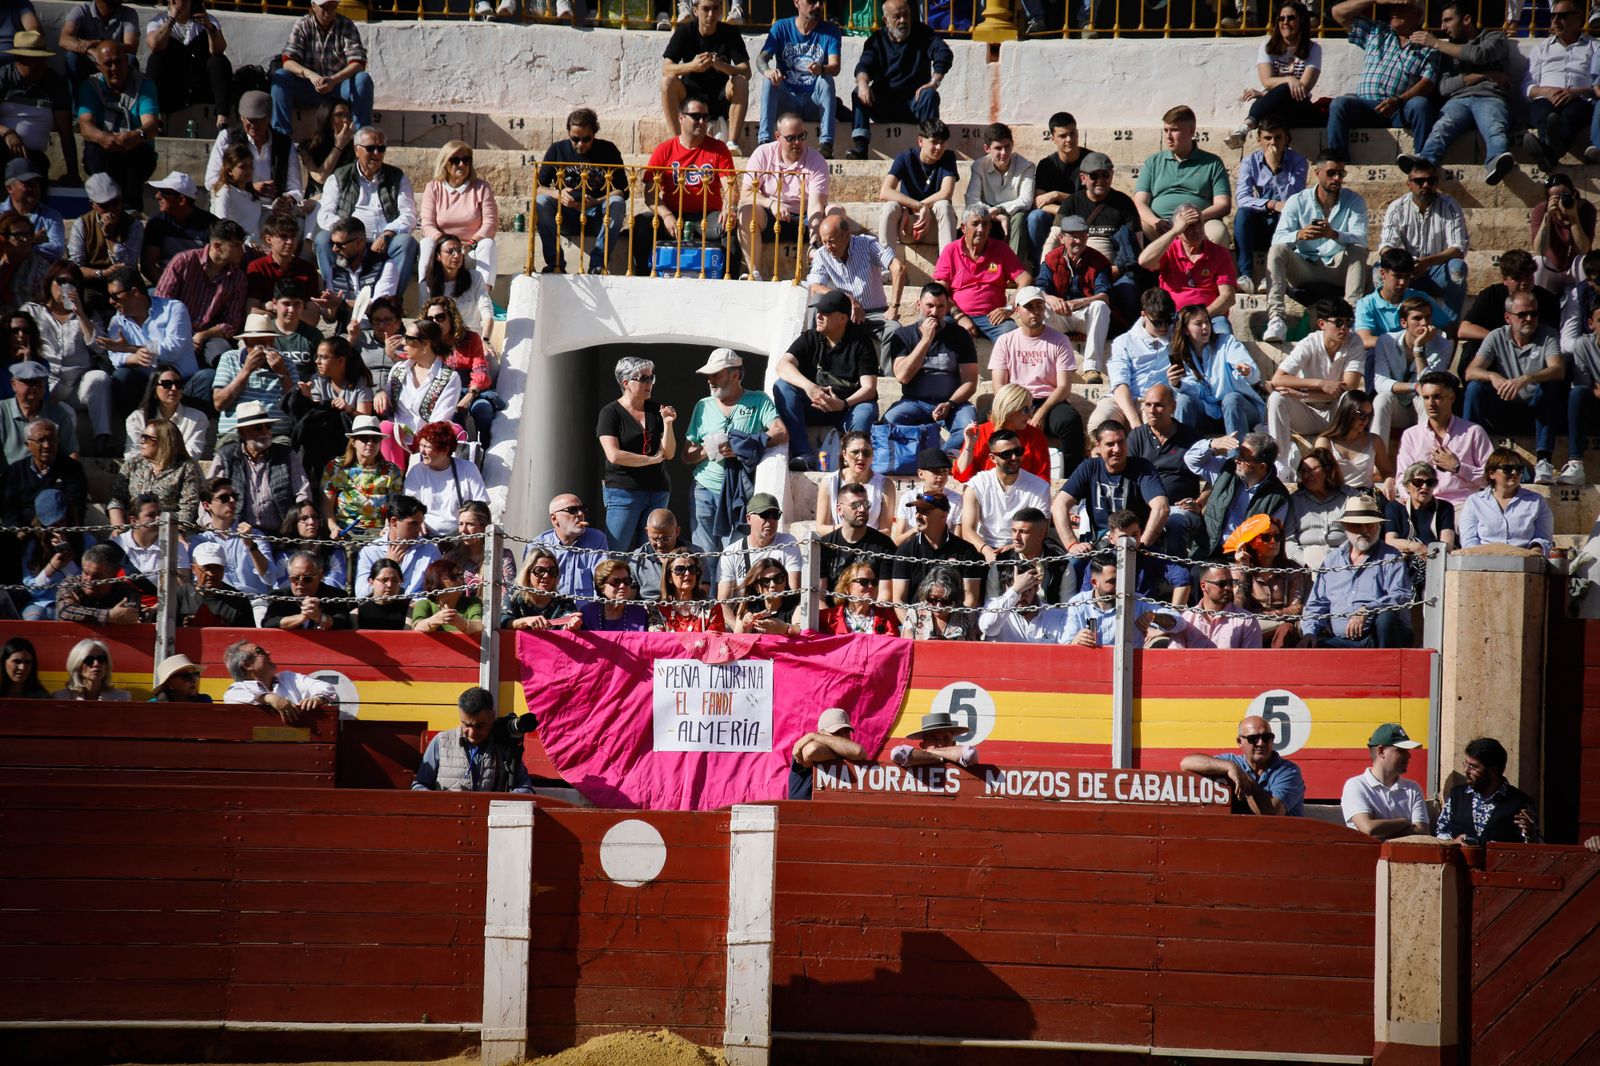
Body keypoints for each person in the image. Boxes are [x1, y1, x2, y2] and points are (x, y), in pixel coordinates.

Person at [682, 347, 786, 554]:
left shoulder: (758, 400)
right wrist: (707, 449)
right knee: (704, 556)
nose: (710, 380)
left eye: (716, 374)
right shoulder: (702, 406)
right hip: (704, 489)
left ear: (735, 374)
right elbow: (686, 455)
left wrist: (741, 446)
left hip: (739, 491)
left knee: (735, 554)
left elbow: (781, 432)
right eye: (708, 375)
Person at [1400, 4, 1514, 185]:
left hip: (1489, 97)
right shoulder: (1447, 50)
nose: (1443, 28)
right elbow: (1444, 87)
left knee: (1494, 128)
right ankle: (1425, 162)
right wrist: (1484, 75)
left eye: (1448, 20)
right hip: (1458, 100)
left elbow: (1480, 55)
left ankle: (1496, 162)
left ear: (1467, 20)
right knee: (1441, 128)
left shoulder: (1494, 37)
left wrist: (1436, 43)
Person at [1262, 153, 1369, 344]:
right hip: (1305, 267)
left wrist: (1334, 234)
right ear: (1317, 173)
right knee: (1277, 250)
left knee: (1357, 250)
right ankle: (1277, 319)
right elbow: (1277, 238)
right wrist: (1299, 235)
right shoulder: (1297, 200)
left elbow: (1361, 238)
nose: (1337, 178)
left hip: (1338, 267)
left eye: (1341, 173)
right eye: (1331, 173)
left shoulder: (1354, 201)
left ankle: (1351, 317)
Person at [1464, 293, 1569, 485]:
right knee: (1475, 388)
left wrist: (1528, 378)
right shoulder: (1496, 336)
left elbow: (1558, 369)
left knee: (1551, 386)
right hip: (1504, 405)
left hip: (1536, 408)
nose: (1529, 319)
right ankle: (1470, 453)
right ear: (1508, 317)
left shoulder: (1548, 334)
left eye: (1533, 314)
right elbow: (1471, 371)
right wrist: (1492, 375)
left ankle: (1544, 460)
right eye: (1522, 314)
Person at [773, 289, 878, 472]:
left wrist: (843, 404)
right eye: (819, 311)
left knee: (867, 410)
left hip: (846, 408)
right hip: (814, 404)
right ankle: (803, 454)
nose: (819, 316)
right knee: (782, 387)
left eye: (826, 313)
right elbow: (782, 365)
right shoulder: (810, 337)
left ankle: (852, 464)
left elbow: (869, 387)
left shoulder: (861, 342)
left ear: (843, 319)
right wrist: (810, 387)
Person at [1324, 0, 1441, 164]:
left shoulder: (1428, 45)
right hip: (1367, 106)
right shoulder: (1377, 31)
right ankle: (1337, 162)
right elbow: (1338, 12)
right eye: (1392, 7)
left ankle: (1423, 163)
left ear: (1417, 14)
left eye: (1401, 8)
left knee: (1420, 105)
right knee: (1339, 104)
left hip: (1399, 108)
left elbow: (1427, 83)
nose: (1394, 12)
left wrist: (1399, 100)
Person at [315, 126, 418, 303]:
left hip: (384, 242)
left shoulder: (397, 177)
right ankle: (334, 298)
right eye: (370, 148)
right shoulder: (339, 177)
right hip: (350, 241)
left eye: (381, 149)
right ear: (356, 149)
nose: (376, 153)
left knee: (406, 242)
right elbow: (325, 215)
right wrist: (351, 235)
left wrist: (387, 234)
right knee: (323, 239)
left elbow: (408, 215)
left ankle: (389, 302)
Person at [1267, 299, 1365, 481]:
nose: (1344, 328)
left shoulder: (1354, 342)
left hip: (1336, 414)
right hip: (1306, 413)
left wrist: (1303, 393)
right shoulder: (1309, 343)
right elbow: (1278, 378)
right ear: (1322, 324)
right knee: (1276, 398)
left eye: (1348, 323)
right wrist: (1320, 384)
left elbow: (1348, 387)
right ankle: (1280, 464)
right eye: (1338, 323)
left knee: (1351, 398)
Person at [1301, 496, 1415, 648]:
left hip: (1378, 638)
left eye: (1370, 525)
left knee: (1386, 617)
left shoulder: (1390, 556)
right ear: (1346, 527)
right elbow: (1317, 603)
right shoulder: (1333, 559)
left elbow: (1401, 595)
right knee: (1311, 647)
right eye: (1357, 526)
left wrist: (1368, 610)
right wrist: (1310, 632)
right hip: (1342, 641)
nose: (1364, 531)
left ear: (1379, 526)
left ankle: (1386, 666)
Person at [985, 286, 1083, 462]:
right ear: (1017, 310)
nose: (1035, 312)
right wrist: (1016, 411)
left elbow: (1064, 387)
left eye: (1039, 306)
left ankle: (1071, 478)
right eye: (1029, 307)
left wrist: (1039, 414)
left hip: (1048, 401)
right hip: (1014, 401)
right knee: (985, 418)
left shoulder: (1060, 340)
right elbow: (998, 386)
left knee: (1070, 420)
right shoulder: (1005, 341)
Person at [882, 283, 978, 451]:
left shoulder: (960, 335)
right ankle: (917, 460)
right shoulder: (903, 335)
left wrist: (950, 403)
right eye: (930, 306)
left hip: (952, 403)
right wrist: (926, 340)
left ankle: (941, 460)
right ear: (919, 305)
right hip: (915, 402)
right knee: (888, 422)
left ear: (947, 307)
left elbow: (970, 382)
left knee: (968, 427)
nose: (935, 312)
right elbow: (902, 376)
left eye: (940, 307)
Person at [846, 0, 947, 160]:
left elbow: (943, 53)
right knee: (859, 91)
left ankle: (930, 149)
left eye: (906, 15)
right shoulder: (877, 40)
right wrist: (863, 83)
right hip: (884, 106)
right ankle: (861, 146)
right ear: (886, 21)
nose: (903, 21)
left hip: (915, 104)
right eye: (897, 17)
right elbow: (865, 64)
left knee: (930, 95)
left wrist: (935, 82)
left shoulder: (923, 34)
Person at [25, 260, 109, 449]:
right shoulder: (33, 311)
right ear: (50, 282)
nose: (66, 287)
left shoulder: (88, 314)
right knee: (66, 413)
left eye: (72, 283)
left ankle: (103, 438)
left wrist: (80, 314)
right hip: (48, 384)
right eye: (61, 281)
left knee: (99, 378)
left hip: (77, 385)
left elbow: (100, 347)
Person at [738, 110, 830, 281]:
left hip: (804, 217)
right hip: (772, 217)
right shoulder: (763, 153)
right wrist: (771, 203)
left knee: (835, 212)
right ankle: (754, 273)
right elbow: (746, 193)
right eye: (791, 138)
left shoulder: (816, 161)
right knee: (745, 210)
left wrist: (814, 239)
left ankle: (828, 269)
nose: (797, 142)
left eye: (801, 136)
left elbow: (816, 205)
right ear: (777, 136)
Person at [597, 355, 676, 551]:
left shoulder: (656, 410)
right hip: (623, 492)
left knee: (651, 553)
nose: (650, 383)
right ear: (626, 383)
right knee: (616, 552)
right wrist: (650, 460)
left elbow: (669, 453)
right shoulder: (610, 413)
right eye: (643, 378)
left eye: (651, 378)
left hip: (657, 491)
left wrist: (668, 424)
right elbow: (614, 455)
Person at [535, 110, 626, 277]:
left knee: (617, 204)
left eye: (586, 139)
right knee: (541, 201)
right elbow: (539, 187)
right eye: (575, 139)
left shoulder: (608, 150)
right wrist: (559, 194)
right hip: (566, 215)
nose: (580, 144)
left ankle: (598, 264)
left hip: (597, 215)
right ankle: (555, 263)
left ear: (594, 134)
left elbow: (622, 191)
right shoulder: (557, 150)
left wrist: (597, 201)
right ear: (569, 133)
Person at [157, 218, 250, 380]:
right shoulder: (183, 261)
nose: (242, 251)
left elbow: (232, 322)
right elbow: (162, 304)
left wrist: (203, 335)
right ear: (217, 246)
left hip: (209, 337)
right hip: (172, 331)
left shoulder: (238, 278)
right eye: (236, 245)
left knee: (223, 355)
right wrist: (183, 334)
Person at [1224, 1, 1324, 148]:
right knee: (1270, 100)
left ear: (1301, 21)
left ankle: (1246, 126)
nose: (1285, 22)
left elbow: (1304, 87)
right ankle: (1242, 131)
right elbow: (1266, 81)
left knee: (1284, 89)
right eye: (1281, 19)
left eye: (1291, 18)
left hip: (1300, 108)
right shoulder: (1268, 45)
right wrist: (1290, 79)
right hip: (1275, 109)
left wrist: (1273, 90)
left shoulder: (1314, 49)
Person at [1379, 158, 1470, 318]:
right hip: (1407, 272)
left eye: (1431, 180)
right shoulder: (1397, 207)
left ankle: (1450, 326)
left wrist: (1428, 261)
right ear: (1409, 184)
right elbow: (1386, 246)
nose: (1426, 185)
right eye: (1419, 181)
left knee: (1458, 268)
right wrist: (1404, 264)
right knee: (1378, 270)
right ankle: (1389, 321)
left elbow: (1458, 248)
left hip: (1438, 271)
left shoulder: (1450, 205)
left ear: (1436, 183)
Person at [644, 95, 736, 249]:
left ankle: (728, 273)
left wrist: (729, 208)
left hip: (708, 216)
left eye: (705, 117)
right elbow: (649, 193)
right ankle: (643, 273)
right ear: (681, 118)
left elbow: (731, 188)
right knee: (642, 224)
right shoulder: (664, 150)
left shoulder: (719, 149)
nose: (702, 122)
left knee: (729, 225)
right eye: (696, 116)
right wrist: (666, 215)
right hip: (673, 213)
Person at [270, 0, 371, 137]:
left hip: (337, 88)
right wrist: (311, 76)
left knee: (363, 79)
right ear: (313, 5)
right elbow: (288, 61)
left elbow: (358, 63)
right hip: (308, 86)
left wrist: (334, 80)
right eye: (324, 7)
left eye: (332, 7)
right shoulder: (303, 25)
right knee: (280, 77)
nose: (328, 11)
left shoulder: (346, 25)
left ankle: (362, 138)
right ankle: (281, 137)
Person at [1133, 105, 1232, 246]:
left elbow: (1223, 205)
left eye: (1174, 130)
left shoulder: (1212, 162)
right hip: (1160, 226)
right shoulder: (1153, 162)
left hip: (1198, 224)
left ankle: (1207, 268)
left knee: (1218, 232)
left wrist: (1196, 217)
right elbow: (1139, 202)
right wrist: (1156, 222)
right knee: (1136, 229)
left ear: (1191, 131)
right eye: (1166, 130)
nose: (1168, 137)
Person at [1185, 430, 1292, 560]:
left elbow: (1269, 539)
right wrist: (1212, 443)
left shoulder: (1278, 498)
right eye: (1238, 454)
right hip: (1208, 551)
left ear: (1262, 467)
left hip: (1245, 559)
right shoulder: (1227, 470)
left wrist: (1243, 562)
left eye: (1243, 458)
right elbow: (1191, 460)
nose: (1237, 460)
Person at [1520, 0, 1600, 173]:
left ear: (1578, 18)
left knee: (1571, 115)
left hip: (1579, 100)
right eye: (1553, 16)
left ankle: (1548, 153)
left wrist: (1576, 92)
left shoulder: (1594, 47)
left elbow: (1598, 86)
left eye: (1562, 16)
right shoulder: (1541, 49)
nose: (1555, 21)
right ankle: (1554, 150)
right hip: (1545, 99)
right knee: (1544, 113)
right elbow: (1526, 86)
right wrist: (1545, 91)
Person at [660, 0, 749, 154]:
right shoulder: (684, 31)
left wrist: (723, 67)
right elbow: (666, 68)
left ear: (721, 10)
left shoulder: (730, 32)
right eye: (706, 9)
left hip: (720, 97)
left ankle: (732, 143)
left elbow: (746, 71)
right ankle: (677, 144)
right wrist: (692, 66)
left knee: (740, 81)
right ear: (695, 11)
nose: (711, 14)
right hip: (690, 97)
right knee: (667, 82)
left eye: (715, 9)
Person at [754, 0, 841, 157]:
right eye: (811, 1)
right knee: (769, 81)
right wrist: (768, 72)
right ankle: (764, 142)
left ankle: (826, 144)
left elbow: (835, 67)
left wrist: (822, 68)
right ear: (796, 2)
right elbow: (761, 59)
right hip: (787, 100)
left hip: (813, 102)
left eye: (821, 2)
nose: (817, 6)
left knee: (826, 80)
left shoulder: (831, 31)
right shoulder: (781, 27)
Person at [1229, 120, 1306, 296]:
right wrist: (1269, 204)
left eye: (1278, 138)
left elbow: (1293, 201)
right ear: (1259, 140)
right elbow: (1242, 198)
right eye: (1268, 138)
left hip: (1283, 224)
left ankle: (1273, 274)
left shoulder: (1298, 162)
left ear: (1286, 139)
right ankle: (1246, 276)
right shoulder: (1250, 162)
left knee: (1286, 213)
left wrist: (1276, 170)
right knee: (1243, 214)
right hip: (1258, 222)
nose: (1273, 143)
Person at [1036, 213, 1116, 383]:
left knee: (1100, 307)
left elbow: (1105, 296)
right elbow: (1040, 288)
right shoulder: (1051, 259)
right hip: (1060, 315)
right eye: (1073, 237)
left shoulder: (1099, 261)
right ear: (1061, 237)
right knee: (1041, 305)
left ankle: (1092, 369)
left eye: (1082, 236)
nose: (1078, 241)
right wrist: (1050, 298)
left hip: (1085, 316)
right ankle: (1048, 365)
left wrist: (1082, 301)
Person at [1166, 304, 1265, 439]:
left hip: (1240, 411)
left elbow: (1253, 376)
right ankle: (1181, 454)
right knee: (1183, 400)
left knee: (1231, 399)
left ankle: (1236, 457)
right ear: (1186, 330)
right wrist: (1178, 384)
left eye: (1207, 321)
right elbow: (1195, 391)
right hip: (1209, 414)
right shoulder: (1182, 354)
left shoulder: (1227, 342)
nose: (1205, 326)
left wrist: (1247, 372)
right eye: (1198, 324)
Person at [935, 205, 1032, 343]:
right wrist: (959, 316)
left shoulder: (1001, 249)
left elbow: (1025, 279)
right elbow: (940, 289)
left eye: (985, 224)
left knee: (1011, 333)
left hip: (992, 317)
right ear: (963, 228)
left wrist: (1009, 308)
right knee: (939, 328)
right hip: (956, 314)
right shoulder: (951, 250)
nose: (981, 229)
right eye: (975, 224)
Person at [205, 90, 303, 225]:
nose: (254, 126)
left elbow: (295, 187)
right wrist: (249, 189)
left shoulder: (284, 144)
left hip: (272, 212)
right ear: (241, 118)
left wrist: (287, 200)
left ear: (269, 118)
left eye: (259, 121)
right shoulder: (227, 137)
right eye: (249, 121)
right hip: (236, 207)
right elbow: (212, 181)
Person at [211, 399, 309, 533]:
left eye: (268, 427)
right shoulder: (226, 456)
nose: (265, 432)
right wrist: (213, 528)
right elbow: (210, 494)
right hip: (237, 533)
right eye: (257, 428)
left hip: (280, 534)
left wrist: (295, 526)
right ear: (242, 432)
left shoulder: (286, 454)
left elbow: (302, 494)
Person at [1137, 204, 1238, 335]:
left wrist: (1201, 316)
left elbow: (1228, 297)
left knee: (1224, 337)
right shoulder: (1169, 249)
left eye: (1198, 223)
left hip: (1210, 316)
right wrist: (1174, 232)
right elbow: (1144, 261)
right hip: (1173, 315)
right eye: (1189, 225)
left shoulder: (1219, 253)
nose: (1196, 229)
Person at [74, 40, 158, 195]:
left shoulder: (144, 85)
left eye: (119, 62)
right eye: (108, 64)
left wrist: (135, 136)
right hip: (104, 150)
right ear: (99, 67)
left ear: (127, 61)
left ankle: (130, 206)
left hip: (134, 148)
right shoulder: (90, 86)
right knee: (95, 150)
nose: (115, 68)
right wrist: (103, 138)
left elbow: (151, 125)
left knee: (140, 153)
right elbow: (85, 126)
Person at [288, 334, 372, 487]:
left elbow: (366, 419)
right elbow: (316, 414)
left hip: (348, 437)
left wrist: (349, 409)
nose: (317, 361)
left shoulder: (359, 382)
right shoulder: (318, 380)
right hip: (324, 439)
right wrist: (307, 397)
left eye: (324, 357)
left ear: (340, 361)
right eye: (317, 357)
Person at [412, 687, 531, 794]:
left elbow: (526, 787)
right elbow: (419, 786)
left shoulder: (504, 744)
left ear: (492, 716)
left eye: (480, 726)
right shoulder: (441, 742)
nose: (472, 733)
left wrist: (506, 803)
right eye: (466, 725)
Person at [1180, 714, 1305, 816]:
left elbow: (1272, 813)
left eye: (1266, 737)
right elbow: (1187, 763)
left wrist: (1245, 780)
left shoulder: (1288, 771)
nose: (1261, 743)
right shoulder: (1232, 762)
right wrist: (1230, 767)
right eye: (1253, 738)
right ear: (1240, 742)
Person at [0, 32, 80, 189]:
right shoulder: (3, 77)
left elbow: (66, 132)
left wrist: (73, 173)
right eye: (35, 60)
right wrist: (7, 133)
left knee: (32, 186)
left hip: (33, 156)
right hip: (2, 148)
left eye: (43, 59)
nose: (42, 64)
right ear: (20, 60)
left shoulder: (54, 82)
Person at [418, 139, 497, 296]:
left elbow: (491, 222)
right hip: (443, 248)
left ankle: (484, 300)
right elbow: (427, 224)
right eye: (455, 160)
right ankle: (425, 301)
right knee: (426, 243)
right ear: (445, 163)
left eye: (466, 160)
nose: (461, 164)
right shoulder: (433, 187)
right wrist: (446, 244)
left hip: (471, 249)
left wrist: (471, 243)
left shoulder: (482, 188)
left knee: (488, 244)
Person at [375, 318, 458, 466]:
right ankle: (394, 480)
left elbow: (440, 420)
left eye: (410, 339)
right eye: (404, 337)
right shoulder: (399, 369)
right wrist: (381, 393)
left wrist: (419, 441)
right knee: (386, 427)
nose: (403, 343)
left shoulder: (449, 377)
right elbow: (386, 409)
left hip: (427, 442)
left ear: (426, 344)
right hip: (395, 438)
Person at [805, 214, 904, 337]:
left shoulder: (867, 244)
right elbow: (815, 287)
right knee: (817, 300)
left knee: (895, 330)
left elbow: (898, 268)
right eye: (823, 242)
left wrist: (894, 306)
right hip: (842, 315)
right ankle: (812, 345)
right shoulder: (822, 254)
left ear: (846, 236)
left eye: (831, 241)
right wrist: (846, 298)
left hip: (875, 314)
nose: (827, 247)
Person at [1093, 287, 1177, 433]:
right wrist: (1134, 421)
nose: (1164, 327)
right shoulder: (1124, 341)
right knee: (1101, 421)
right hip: (1124, 399)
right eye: (1157, 322)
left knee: (1156, 424)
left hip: (1156, 401)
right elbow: (1120, 384)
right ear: (1143, 315)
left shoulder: (1177, 335)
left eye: (1168, 321)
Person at [960, 428, 1051, 558]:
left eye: (1018, 452)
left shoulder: (1040, 487)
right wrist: (986, 551)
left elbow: (1041, 530)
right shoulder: (977, 484)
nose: (1014, 458)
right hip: (983, 548)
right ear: (992, 458)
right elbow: (968, 530)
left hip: (1022, 548)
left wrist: (1012, 548)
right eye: (1006, 454)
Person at [1372, 296, 1453, 441]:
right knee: (1382, 399)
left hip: (1425, 408)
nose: (1424, 323)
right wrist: (1415, 387)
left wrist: (1419, 349)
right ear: (1404, 322)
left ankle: (1426, 459)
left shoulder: (1444, 346)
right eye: (1417, 318)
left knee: (1427, 398)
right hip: (1398, 407)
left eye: (1427, 317)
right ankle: (1378, 459)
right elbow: (1380, 383)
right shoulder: (1386, 341)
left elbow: (1431, 386)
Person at [1434, 736, 1540, 844]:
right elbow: (1441, 832)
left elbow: (1535, 850)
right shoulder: (1457, 796)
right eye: (1466, 764)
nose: (1466, 770)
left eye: (1473, 766)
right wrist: (1454, 842)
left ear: (1492, 771)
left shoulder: (1520, 803)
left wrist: (1530, 834)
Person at [890, 482, 982, 606]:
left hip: (954, 620)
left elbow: (970, 599)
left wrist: (954, 624)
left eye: (925, 511)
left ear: (944, 516)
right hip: (914, 620)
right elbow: (899, 601)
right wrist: (914, 624)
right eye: (917, 511)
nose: (918, 516)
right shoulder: (906, 551)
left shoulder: (966, 552)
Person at [145, 0, 230, 130]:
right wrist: (171, 20)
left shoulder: (207, 20)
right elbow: (154, 45)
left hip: (200, 82)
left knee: (219, 61)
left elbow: (219, 50)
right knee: (155, 59)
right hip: (174, 84)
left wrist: (209, 27)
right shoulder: (158, 21)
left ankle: (222, 120)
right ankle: (158, 119)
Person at [877, 118, 958, 257]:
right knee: (890, 207)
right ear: (921, 141)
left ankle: (947, 267)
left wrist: (922, 207)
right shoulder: (905, 157)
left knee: (943, 205)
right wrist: (916, 207)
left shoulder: (948, 157)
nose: (939, 148)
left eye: (942, 143)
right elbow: (885, 191)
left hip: (934, 227)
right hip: (908, 226)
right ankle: (887, 266)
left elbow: (946, 193)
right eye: (934, 142)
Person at [192, 476, 277, 600]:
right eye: (224, 498)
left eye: (234, 496)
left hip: (255, 601)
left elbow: (270, 578)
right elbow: (197, 580)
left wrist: (251, 546)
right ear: (206, 505)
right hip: (221, 603)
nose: (231, 500)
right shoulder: (199, 542)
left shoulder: (254, 534)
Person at [108, 415, 200, 528]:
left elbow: (188, 508)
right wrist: (118, 528)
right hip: (132, 529)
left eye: (146, 438)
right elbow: (116, 499)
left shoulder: (185, 468)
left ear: (163, 442)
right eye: (142, 437)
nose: (142, 442)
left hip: (168, 530)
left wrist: (177, 532)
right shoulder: (132, 464)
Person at [66, 173, 141, 310]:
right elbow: (75, 268)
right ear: (93, 205)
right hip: (94, 286)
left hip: (125, 285)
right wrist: (102, 273)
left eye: (115, 203)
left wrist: (110, 237)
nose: (112, 209)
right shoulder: (82, 224)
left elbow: (128, 265)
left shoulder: (133, 225)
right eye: (105, 205)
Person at [1458, 447, 1554, 554]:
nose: (1514, 472)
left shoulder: (1536, 501)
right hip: (1484, 560)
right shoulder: (1475, 502)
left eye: (1518, 469)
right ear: (1491, 473)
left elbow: (1543, 539)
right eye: (1507, 469)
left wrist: (1533, 553)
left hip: (1524, 561)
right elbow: (1469, 540)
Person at [1340, 723, 1429, 838]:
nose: (1408, 756)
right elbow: (1368, 828)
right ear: (1381, 751)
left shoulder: (1413, 788)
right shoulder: (1356, 785)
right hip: (1369, 856)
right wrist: (1404, 822)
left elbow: (1423, 832)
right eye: (1401, 750)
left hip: (1404, 855)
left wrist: (1383, 829)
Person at [400, 420, 485, 539]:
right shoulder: (416, 471)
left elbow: (481, 505)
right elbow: (409, 506)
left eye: (427, 447)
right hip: (425, 537)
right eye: (421, 445)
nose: (422, 451)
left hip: (461, 537)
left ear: (445, 450)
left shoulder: (468, 469)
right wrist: (417, 521)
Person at [1229, 516, 1307, 647]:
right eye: (1266, 538)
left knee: (1286, 629)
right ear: (1252, 542)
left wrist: (1270, 615)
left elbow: (1297, 608)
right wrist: (1245, 572)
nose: (1273, 542)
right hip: (1249, 625)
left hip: (1281, 625)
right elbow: (1237, 607)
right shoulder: (1237, 569)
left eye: (1277, 537)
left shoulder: (1292, 569)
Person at [322, 414, 402, 540]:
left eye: (375, 439)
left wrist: (388, 529)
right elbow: (327, 504)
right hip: (345, 532)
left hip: (379, 534)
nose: (370, 443)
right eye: (364, 438)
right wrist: (333, 528)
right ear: (353, 442)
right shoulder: (336, 467)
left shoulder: (392, 470)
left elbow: (395, 506)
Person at [963, 123, 1035, 264]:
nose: (1004, 153)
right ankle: (971, 264)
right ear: (987, 149)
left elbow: (1025, 201)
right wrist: (997, 216)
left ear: (1012, 145)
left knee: (1020, 217)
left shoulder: (1026, 166)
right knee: (971, 218)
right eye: (998, 148)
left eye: (1007, 146)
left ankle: (1013, 268)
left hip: (1013, 214)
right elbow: (972, 199)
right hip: (987, 215)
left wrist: (999, 209)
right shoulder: (979, 166)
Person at [1026, 113, 1094, 261]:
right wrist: (1065, 211)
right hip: (1056, 217)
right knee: (1035, 217)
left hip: (1087, 216)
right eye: (1063, 136)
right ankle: (1040, 270)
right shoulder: (1046, 165)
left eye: (1072, 134)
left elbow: (1091, 201)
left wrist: (1057, 195)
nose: (1069, 140)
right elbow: (1039, 203)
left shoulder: (1091, 161)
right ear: (1053, 138)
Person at [1146, 563, 1263, 649]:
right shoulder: (1186, 620)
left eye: (1230, 583)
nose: (1228, 588)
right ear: (1203, 586)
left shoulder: (1247, 621)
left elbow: (1249, 665)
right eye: (1221, 584)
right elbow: (1176, 660)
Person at [953, 382, 1050, 485]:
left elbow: (1042, 478)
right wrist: (969, 445)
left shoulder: (1034, 435)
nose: (1030, 415)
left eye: (1031, 408)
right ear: (1009, 409)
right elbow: (962, 475)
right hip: (986, 493)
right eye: (1025, 410)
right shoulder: (980, 432)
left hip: (1023, 494)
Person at [3, 414, 86, 527]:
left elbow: (75, 505)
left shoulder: (72, 468)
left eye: (52, 439)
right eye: (41, 440)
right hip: (24, 533)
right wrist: (19, 530)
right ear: (28, 445)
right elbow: (8, 507)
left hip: (61, 530)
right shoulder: (16, 471)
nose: (47, 445)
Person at [353, 494, 441, 598]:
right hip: (380, 609)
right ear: (394, 522)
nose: (419, 529)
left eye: (420, 523)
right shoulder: (371, 551)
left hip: (417, 610)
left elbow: (434, 592)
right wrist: (387, 565)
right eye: (413, 523)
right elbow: (361, 595)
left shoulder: (430, 550)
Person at [1284, 446, 1356, 568]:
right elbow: (1288, 541)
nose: (1306, 475)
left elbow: (1359, 533)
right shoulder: (1294, 501)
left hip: (1344, 561)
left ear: (1328, 470)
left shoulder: (1350, 497)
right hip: (1306, 564)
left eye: (1312, 469)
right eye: (1303, 471)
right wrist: (1306, 563)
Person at [985, 506, 1070, 606]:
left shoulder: (1062, 566)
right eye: (1014, 531)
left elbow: (1069, 608)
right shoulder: (1000, 565)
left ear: (1041, 534)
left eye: (1023, 532)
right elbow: (990, 609)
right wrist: (1015, 590)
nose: (1016, 537)